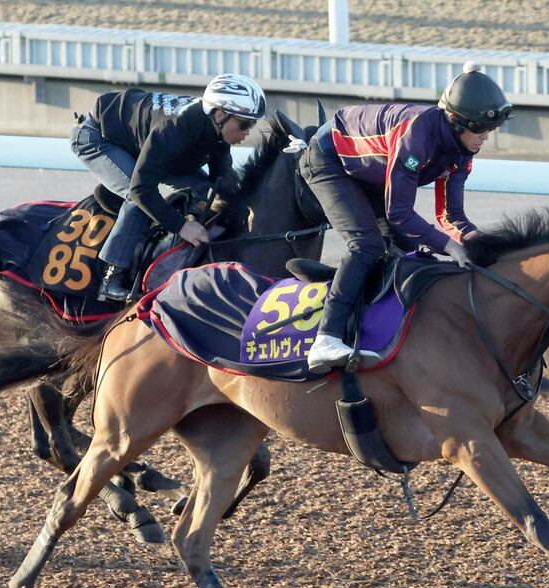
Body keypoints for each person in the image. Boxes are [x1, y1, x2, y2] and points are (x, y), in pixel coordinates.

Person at [299, 61, 512, 373]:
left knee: (405, 252)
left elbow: (450, 215)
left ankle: (379, 334)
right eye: (479, 129)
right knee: (368, 246)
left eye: (490, 130)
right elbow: (399, 213)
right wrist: (449, 247)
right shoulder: (418, 135)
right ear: (455, 120)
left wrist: (476, 242)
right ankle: (326, 337)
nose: (485, 138)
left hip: (372, 167)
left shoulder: (462, 154)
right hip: (328, 158)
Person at [70, 74, 267, 301]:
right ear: (220, 114)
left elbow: (223, 180)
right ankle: (111, 276)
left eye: (251, 125)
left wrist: (249, 206)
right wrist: (182, 226)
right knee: (135, 201)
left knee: (208, 192)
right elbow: (140, 190)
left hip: (143, 139)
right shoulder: (173, 130)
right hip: (97, 137)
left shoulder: (216, 128)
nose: (247, 133)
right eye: (244, 125)